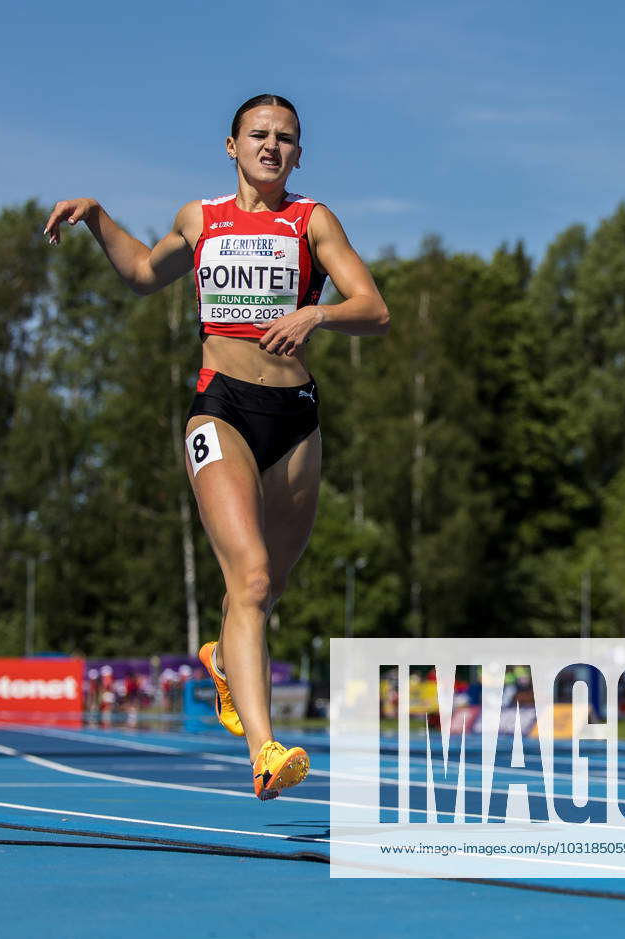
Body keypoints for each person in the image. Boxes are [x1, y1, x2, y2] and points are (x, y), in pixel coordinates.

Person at [44, 93, 389, 800]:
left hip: (294, 416)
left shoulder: (311, 221)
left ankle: (226, 663)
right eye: (258, 135)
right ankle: (264, 751)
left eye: (286, 139)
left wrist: (316, 314)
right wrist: (99, 218)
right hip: (220, 408)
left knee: (269, 590)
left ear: (299, 153)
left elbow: (374, 310)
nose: (272, 146)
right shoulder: (200, 219)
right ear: (231, 146)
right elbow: (143, 274)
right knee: (252, 577)